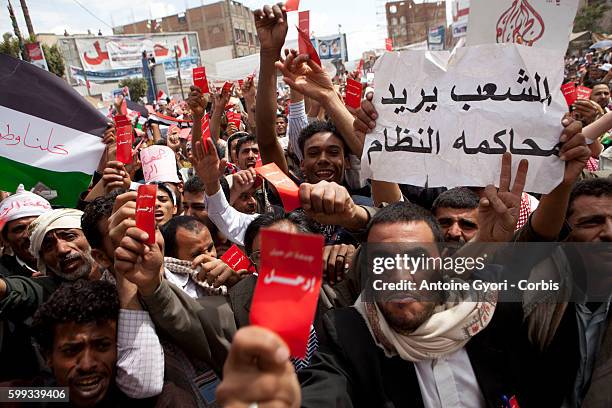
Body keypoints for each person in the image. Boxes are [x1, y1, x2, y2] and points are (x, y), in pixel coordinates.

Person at [161, 215, 244, 297]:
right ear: (174, 259)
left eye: (210, 248)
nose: (208, 256)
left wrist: (235, 285)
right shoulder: (168, 287)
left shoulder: (231, 273)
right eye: (197, 254)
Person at [0, 184, 52, 277]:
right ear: (5, 239)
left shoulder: (75, 262)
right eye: (19, 229)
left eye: (36, 225)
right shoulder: (3, 275)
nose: (29, 235)